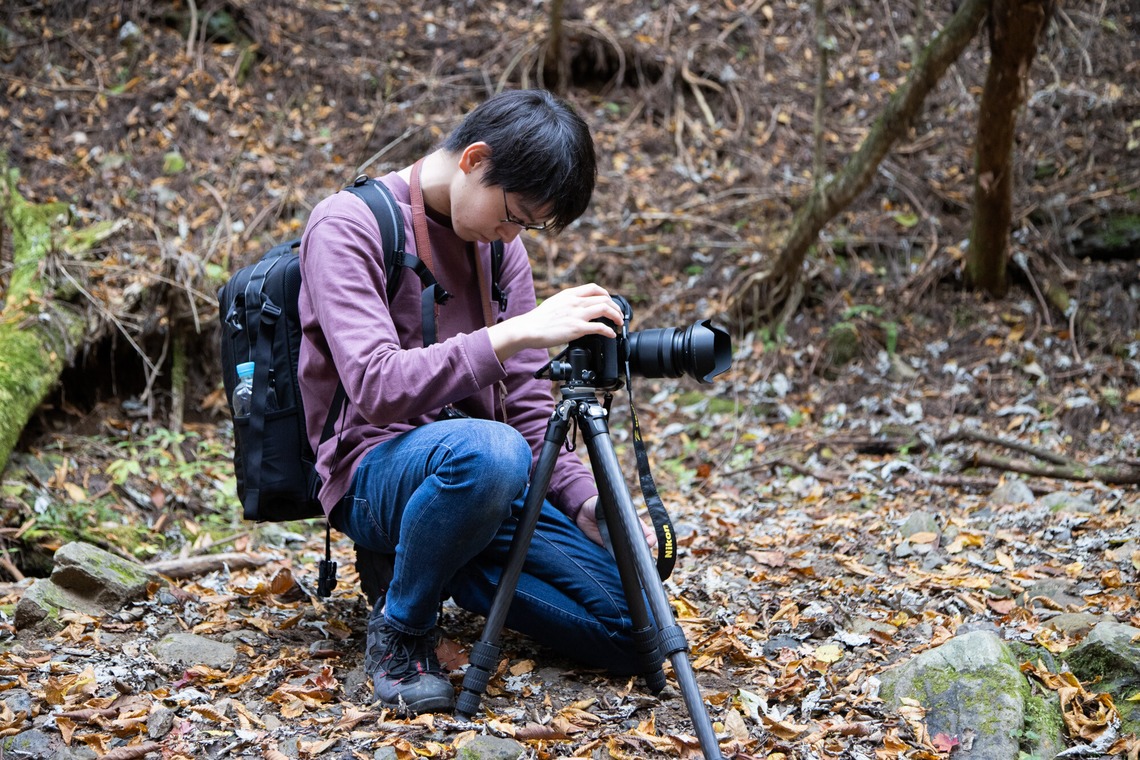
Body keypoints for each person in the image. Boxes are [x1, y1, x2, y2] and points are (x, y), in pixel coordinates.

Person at [297, 89, 654, 714]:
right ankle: (401, 632)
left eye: (529, 226)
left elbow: (528, 408)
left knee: (638, 629)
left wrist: (585, 500)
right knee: (489, 452)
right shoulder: (346, 225)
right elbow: (377, 387)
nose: (513, 233)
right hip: (374, 470)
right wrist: (513, 332)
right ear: (474, 159)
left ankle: (434, 556)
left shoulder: (500, 251)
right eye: (515, 214)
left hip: (493, 474)